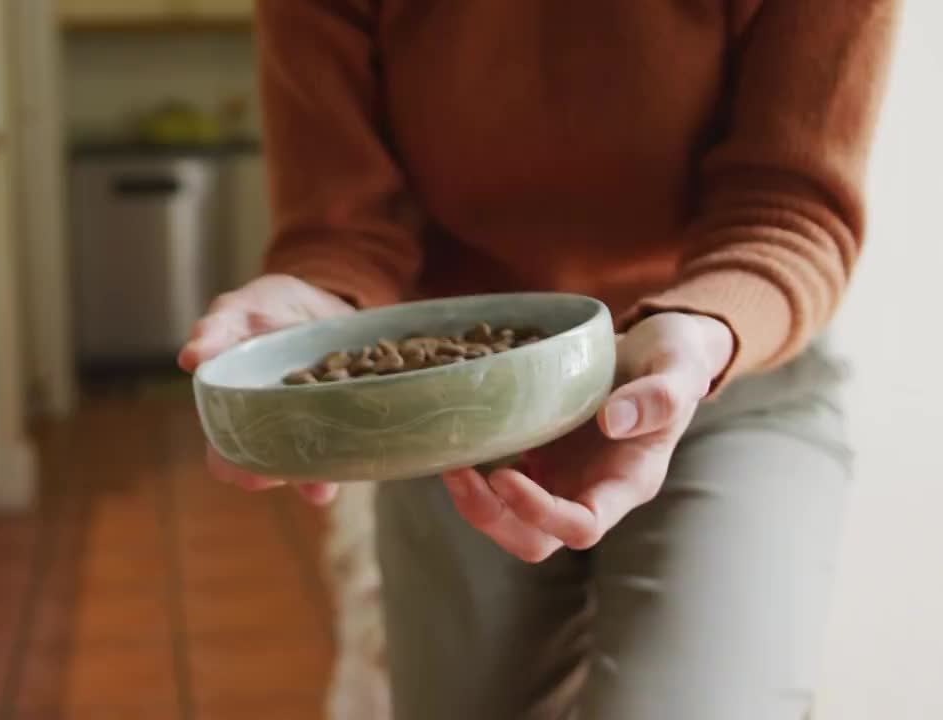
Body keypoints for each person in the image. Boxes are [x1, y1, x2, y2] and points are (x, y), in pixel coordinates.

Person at [178, 2, 901, 718]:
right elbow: (344, 219)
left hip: (722, 373)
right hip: (451, 413)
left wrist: (703, 331)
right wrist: (316, 300)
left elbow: (789, 206)